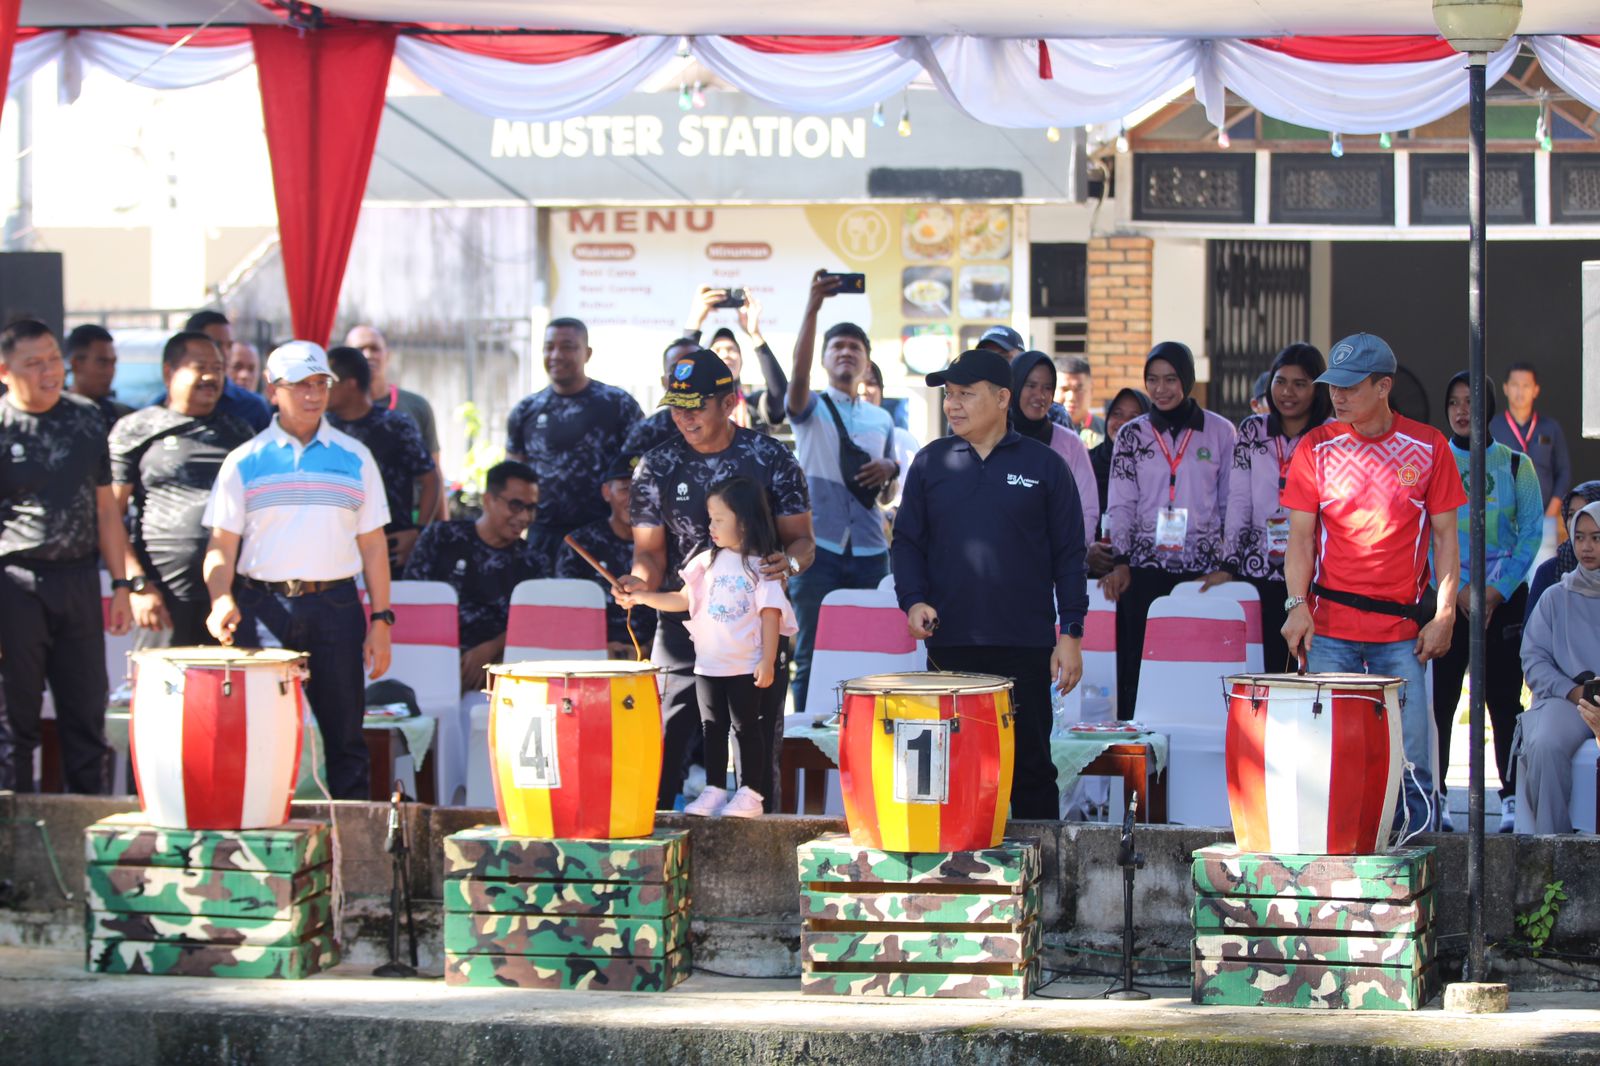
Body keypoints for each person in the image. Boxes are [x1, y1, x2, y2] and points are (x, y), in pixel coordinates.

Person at [1280, 333, 1464, 836]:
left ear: (1384, 386)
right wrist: (1296, 604)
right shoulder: (1316, 446)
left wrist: (1445, 614)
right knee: (1327, 756)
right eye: (1332, 386)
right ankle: (1332, 861)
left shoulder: (1429, 446)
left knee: (1412, 763)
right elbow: (1300, 539)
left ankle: (1416, 864)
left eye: (1349, 386)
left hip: (1401, 633)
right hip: (1330, 629)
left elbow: (1447, 540)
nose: (1336, 396)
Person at [891, 347, 1087, 819]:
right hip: (951, 645)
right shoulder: (930, 463)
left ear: (1002, 399)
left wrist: (1071, 634)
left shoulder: (1045, 466)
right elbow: (907, 543)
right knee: (955, 770)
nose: (952, 405)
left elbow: (1069, 556)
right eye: (949, 395)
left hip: (1026, 646)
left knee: (1031, 769)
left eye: (965, 394)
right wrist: (913, 601)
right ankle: (959, 860)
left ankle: (1044, 863)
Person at [621, 348, 814, 812]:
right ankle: (662, 834)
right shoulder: (656, 466)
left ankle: (759, 843)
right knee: (667, 737)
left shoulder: (770, 457)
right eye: (676, 407)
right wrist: (638, 583)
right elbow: (649, 552)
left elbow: (803, 541)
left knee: (756, 743)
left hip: (754, 628)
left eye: (696, 407)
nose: (684, 418)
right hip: (685, 622)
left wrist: (786, 567)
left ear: (729, 402)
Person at [201, 341, 393, 800]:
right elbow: (221, 545)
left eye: (320, 384)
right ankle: (264, 832)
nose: (313, 394)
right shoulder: (243, 460)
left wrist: (382, 620)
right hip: (262, 608)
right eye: (300, 385)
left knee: (346, 738)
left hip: (336, 606)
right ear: (272, 390)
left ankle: (352, 840)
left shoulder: (356, 457)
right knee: (262, 737)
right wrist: (220, 598)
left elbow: (373, 546)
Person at [0, 320, 134, 794]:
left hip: (78, 580)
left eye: (53, 359)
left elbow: (106, 509)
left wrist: (122, 584)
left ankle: (86, 830)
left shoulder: (86, 417)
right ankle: (13, 835)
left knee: (86, 717)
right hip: (14, 585)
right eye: (34, 363)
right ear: (5, 371)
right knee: (14, 725)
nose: (49, 371)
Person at [620, 476, 798, 818]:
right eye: (710, 518)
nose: (710, 527)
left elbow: (770, 616)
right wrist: (642, 597)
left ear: (743, 523)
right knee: (712, 728)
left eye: (718, 519)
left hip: (745, 666)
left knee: (747, 728)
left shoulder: (763, 568)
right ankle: (715, 788)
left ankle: (751, 792)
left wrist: (768, 660)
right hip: (707, 666)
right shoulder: (705, 562)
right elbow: (682, 600)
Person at [1429, 370, 1543, 833]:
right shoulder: (1433, 461)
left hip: (1505, 598)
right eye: (1454, 402)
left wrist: (1496, 591)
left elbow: (1531, 533)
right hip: (1448, 598)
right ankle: (1436, 796)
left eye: (1471, 401)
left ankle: (1511, 796)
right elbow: (1425, 534)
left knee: (1503, 699)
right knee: (1440, 700)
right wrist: (1457, 592)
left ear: (1489, 407)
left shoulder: (1517, 466)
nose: (1462, 411)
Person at [1101, 341, 1236, 719]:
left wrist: (1227, 564)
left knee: (1196, 662)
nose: (1160, 389)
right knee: (1141, 663)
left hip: (1202, 573)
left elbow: (1231, 502)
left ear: (1187, 380)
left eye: (1171, 379)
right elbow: (1121, 501)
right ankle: (1137, 738)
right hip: (1144, 569)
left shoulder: (1220, 432)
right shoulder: (1132, 435)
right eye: (1153, 380)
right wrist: (1122, 561)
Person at [784, 271, 896, 716]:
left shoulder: (882, 420)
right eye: (838, 347)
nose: (846, 352)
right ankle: (805, 743)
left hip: (871, 551)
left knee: (873, 653)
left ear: (867, 363)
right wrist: (813, 307)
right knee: (811, 653)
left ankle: (866, 738)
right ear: (824, 359)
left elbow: (886, 493)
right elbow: (796, 375)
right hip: (818, 551)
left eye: (855, 347)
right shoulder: (809, 409)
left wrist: (891, 467)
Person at [109, 331, 254, 647]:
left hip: (231, 599)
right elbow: (109, 515)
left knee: (225, 680)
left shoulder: (240, 432)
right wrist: (137, 584)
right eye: (200, 367)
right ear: (168, 372)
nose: (210, 377)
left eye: (218, 368)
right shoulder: (135, 428)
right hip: (161, 597)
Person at [1204, 343, 1332, 673]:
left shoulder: (1330, 434)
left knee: (1308, 666)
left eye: (1300, 384)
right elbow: (1239, 501)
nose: (1287, 392)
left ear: (1317, 388)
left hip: (1313, 570)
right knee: (1266, 666)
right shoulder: (1252, 430)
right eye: (1280, 381)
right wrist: (1229, 561)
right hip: (1257, 568)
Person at [506, 317, 643, 571]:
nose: (556, 355)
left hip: (603, 537)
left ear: (587, 353)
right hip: (543, 535)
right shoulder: (526, 410)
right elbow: (513, 476)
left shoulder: (618, 405)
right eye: (549, 347)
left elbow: (641, 470)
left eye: (567, 347)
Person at [404, 460, 545, 693]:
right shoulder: (441, 538)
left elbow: (536, 622)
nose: (524, 517)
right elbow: (412, 600)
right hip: (428, 661)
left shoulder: (533, 562)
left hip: (499, 673)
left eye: (531, 508)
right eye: (516, 505)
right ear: (488, 500)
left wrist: (492, 648)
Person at [1515, 501, 1600, 834]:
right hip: (1568, 700)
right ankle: (1553, 847)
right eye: (1579, 537)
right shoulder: (1555, 597)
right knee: (1545, 744)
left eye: (1596, 538)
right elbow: (1534, 659)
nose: (1586, 547)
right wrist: (1573, 691)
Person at [324, 345, 441, 573]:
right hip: (335, 550)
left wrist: (418, 533)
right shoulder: (322, 427)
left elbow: (430, 479)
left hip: (391, 550)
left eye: (327, 383)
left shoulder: (396, 425)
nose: (320, 390)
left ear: (350, 385)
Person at [556, 452, 657, 660]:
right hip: (587, 657)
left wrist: (646, 649)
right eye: (625, 489)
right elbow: (563, 608)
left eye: (642, 489)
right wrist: (597, 648)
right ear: (606, 492)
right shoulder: (580, 544)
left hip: (653, 655)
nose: (634, 498)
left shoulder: (666, 546)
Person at [344, 324, 443, 518]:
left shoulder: (416, 406)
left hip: (404, 523)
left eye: (374, 348)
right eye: (360, 349)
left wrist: (435, 529)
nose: (368, 355)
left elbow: (434, 474)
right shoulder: (333, 412)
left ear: (387, 355)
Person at [1010, 351, 1100, 548]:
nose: (1040, 395)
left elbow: (1087, 508)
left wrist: (1071, 553)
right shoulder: (995, 440)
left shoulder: (1070, 443)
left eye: (1047, 387)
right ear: (1014, 386)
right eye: (1031, 385)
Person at [1490, 361, 1571, 566]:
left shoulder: (1550, 428)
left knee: (1541, 575)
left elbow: (1564, 472)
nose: (1520, 391)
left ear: (1535, 390)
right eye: (1515, 385)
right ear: (1505, 388)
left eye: (1526, 385)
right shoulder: (1492, 427)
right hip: (1502, 522)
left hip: (1543, 519)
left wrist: (1551, 513)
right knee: (1505, 576)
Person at [683, 286, 789, 434]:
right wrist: (695, 320)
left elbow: (780, 394)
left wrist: (755, 333)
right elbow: (681, 376)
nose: (726, 354)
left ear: (741, 362)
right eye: (717, 350)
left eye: (732, 350)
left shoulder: (755, 408)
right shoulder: (693, 405)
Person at [1086, 388, 1151, 578]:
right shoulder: (1087, 462)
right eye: (1117, 414)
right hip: (1091, 573)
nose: (1123, 423)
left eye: (1134, 417)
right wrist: (1086, 551)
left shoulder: (1156, 470)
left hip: (1139, 572)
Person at [182, 311, 271, 432]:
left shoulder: (253, 407)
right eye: (216, 344)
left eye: (229, 345)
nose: (224, 353)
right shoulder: (164, 407)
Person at [1527, 481, 1600, 620]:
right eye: (1571, 514)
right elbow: (1532, 629)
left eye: (1585, 512)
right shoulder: (1549, 572)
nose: (1576, 521)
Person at [623, 337, 703, 459]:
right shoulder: (647, 432)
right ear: (664, 381)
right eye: (677, 369)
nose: (687, 376)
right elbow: (625, 470)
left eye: (696, 368)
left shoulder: (725, 429)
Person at [977, 325, 1070, 428]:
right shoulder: (972, 409)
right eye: (985, 357)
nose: (993, 364)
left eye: (1003, 357)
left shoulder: (1053, 414)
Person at [862, 360, 920, 513]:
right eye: (856, 384)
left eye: (871, 383)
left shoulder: (901, 439)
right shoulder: (831, 438)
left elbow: (914, 500)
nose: (863, 390)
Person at [65, 324, 131, 429]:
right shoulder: (55, 416)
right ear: (76, 364)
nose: (110, 371)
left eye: (113, 363)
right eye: (102, 363)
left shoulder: (121, 418)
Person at [1058, 356, 1105, 447]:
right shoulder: (1040, 431)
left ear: (1091, 390)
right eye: (1064, 389)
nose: (1071, 397)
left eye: (1078, 389)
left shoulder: (1106, 434)